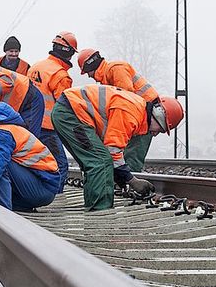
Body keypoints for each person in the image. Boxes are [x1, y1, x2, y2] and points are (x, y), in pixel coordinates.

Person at [51, 84, 184, 210]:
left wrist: (121, 178)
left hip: (70, 111)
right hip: (71, 113)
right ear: (159, 116)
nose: (155, 134)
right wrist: (131, 180)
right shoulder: (131, 114)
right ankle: (100, 212)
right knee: (101, 161)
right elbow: (113, 151)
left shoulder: (136, 110)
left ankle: (93, 205)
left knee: (96, 159)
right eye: (160, 129)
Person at [77, 49, 160, 172]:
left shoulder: (116, 68)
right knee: (125, 152)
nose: (89, 76)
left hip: (145, 116)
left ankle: (131, 180)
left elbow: (126, 100)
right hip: (139, 115)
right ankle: (126, 178)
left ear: (91, 65)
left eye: (87, 72)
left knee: (132, 155)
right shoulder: (108, 76)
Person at [28, 32, 78, 190]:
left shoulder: (36, 67)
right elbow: (65, 107)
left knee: (37, 163)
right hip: (48, 127)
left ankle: (37, 192)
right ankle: (55, 196)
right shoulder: (61, 75)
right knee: (60, 165)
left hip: (29, 124)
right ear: (69, 52)